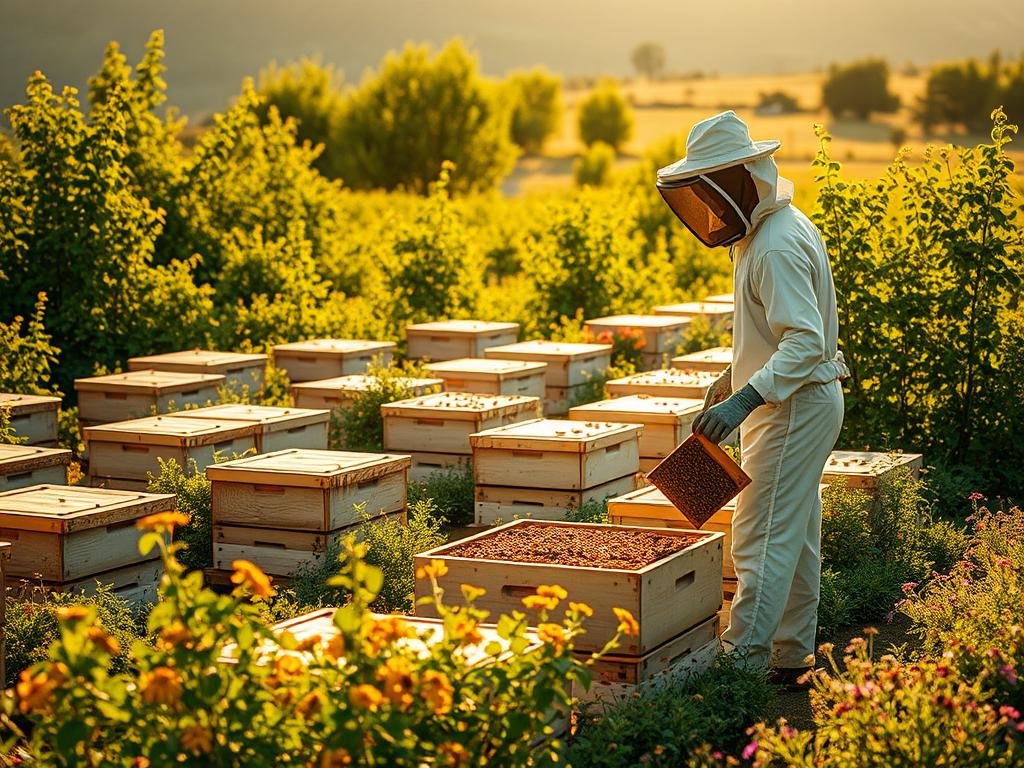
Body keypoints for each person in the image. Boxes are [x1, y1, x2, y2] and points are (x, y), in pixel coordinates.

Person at [656, 111, 848, 685]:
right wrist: (728, 381)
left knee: (760, 533)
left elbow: (805, 341)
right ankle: (790, 655)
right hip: (794, 401)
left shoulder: (774, 247)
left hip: (792, 407)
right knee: (796, 531)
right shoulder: (773, 231)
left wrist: (744, 401)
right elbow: (772, 334)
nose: (708, 208)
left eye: (710, 190)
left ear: (740, 178)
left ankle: (740, 665)